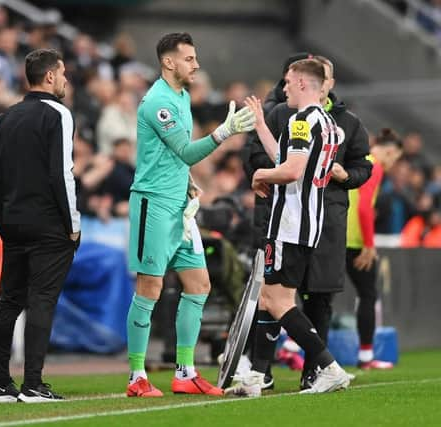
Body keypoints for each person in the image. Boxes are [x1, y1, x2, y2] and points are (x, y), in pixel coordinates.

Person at [125, 32, 255, 398]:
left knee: (199, 285)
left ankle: (185, 372)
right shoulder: (157, 102)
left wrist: (187, 183)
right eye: (189, 59)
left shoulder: (182, 96)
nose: (196, 65)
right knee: (149, 287)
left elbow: (172, 160)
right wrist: (225, 132)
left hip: (179, 206)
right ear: (169, 62)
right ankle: (137, 376)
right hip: (153, 204)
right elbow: (183, 149)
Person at [247, 55, 373, 389]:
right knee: (269, 299)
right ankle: (258, 375)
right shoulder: (328, 124)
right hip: (308, 221)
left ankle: (327, 365)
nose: (284, 87)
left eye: (288, 81)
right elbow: (287, 158)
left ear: (303, 83)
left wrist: (259, 174)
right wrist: (261, 125)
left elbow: (290, 170)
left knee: (278, 302)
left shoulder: (302, 121)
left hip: (289, 222)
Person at [0, 48, 80, 403]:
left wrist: (2, 219)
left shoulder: (5, 117)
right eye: (63, 72)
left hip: (13, 223)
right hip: (49, 223)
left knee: (9, 300)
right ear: (50, 76)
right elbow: (61, 173)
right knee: (42, 299)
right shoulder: (59, 114)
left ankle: (0, 384)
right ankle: (33, 384)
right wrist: (73, 223)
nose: (66, 79)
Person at [343, 128, 403, 369]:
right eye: (395, 159)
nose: (393, 164)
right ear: (389, 152)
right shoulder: (374, 166)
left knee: (318, 295)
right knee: (368, 295)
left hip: (336, 236)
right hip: (355, 241)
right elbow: (365, 208)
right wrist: (369, 245)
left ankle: (295, 348)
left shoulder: (357, 160)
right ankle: (366, 356)